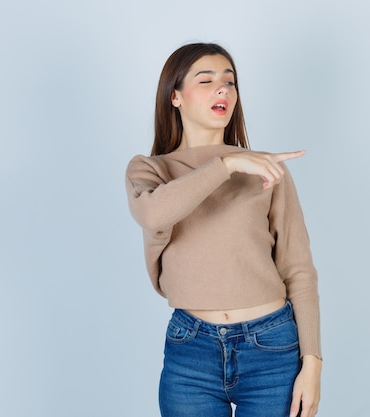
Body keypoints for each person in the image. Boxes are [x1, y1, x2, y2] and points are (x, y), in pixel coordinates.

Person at [125, 42, 322, 417]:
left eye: (230, 82)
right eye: (207, 80)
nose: (223, 89)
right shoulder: (149, 170)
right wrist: (227, 164)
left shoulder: (267, 171)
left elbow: (299, 270)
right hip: (191, 353)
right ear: (175, 97)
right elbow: (153, 214)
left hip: (271, 348)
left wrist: (312, 363)